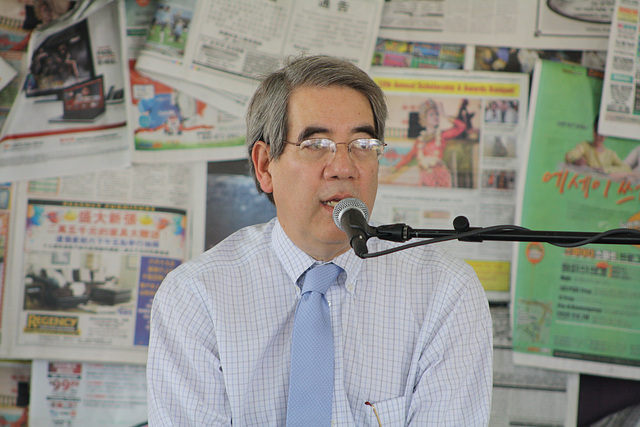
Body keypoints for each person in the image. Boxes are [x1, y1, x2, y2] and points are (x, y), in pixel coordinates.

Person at [147, 55, 492, 426]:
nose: (344, 168)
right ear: (265, 166)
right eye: (316, 144)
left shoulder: (444, 293)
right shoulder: (196, 296)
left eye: (362, 144)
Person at [391, 99, 467, 187]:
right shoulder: (420, 140)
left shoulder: (442, 135)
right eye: (432, 115)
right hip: (425, 178)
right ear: (424, 119)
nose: (436, 117)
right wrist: (394, 168)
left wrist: (445, 115)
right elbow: (409, 156)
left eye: (437, 114)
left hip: (440, 178)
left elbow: (461, 127)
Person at [565, 116, 631, 175]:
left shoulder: (610, 154)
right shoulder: (585, 146)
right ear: (593, 130)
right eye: (596, 131)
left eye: (602, 133)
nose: (599, 137)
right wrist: (577, 161)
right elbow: (569, 156)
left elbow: (627, 169)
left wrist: (605, 169)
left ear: (606, 135)